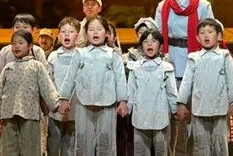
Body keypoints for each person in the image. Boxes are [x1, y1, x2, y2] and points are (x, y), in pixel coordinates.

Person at [58, 16, 128, 155]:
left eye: (99, 29)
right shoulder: (80, 53)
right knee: (83, 142)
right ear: (86, 33)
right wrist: (64, 99)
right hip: (84, 104)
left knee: (106, 142)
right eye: (91, 29)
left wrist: (123, 101)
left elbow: (120, 79)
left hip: (107, 104)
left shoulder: (113, 54)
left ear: (106, 33)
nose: (95, 32)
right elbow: (70, 77)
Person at [0, 30, 62, 156]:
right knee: (8, 148)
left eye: (21, 43)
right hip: (8, 113)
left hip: (29, 113)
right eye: (13, 43)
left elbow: (47, 86)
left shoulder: (36, 66)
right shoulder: (8, 67)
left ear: (29, 46)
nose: (16, 46)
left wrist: (56, 104)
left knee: (30, 148)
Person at [177, 18, 233, 156]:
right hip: (199, 109)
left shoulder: (225, 56)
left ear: (219, 36)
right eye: (202, 32)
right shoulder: (193, 57)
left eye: (210, 32)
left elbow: (232, 81)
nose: (206, 35)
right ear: (197, 38)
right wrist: (181, 103)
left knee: (220, 145)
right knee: (200, 146)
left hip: (220, 108)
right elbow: (186, 82)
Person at [155, 0, 214, 80]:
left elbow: (210, 35)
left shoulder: (203, 5)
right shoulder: (162, 6)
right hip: (169, 58)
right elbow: (157, 35)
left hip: (196, 58)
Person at [127, 28, 178, 156]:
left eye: (153, 41)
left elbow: (171, 92)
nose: (149, 44)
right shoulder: (135, 67)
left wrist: (175, 110)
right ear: (141, 47)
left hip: (160, 116)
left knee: (161, 150)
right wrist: (127, 109)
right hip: (140, 116)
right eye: (145, 41)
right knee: (140, 151)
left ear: (160, 46)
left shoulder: (166, 68)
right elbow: (130, 91)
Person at [0, 13, 50, 96]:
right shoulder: (5, 51)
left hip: (32, 96)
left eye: (25, 27)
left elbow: (45, 77)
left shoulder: (38, 51)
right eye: (17, 27)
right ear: (12, 30)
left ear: (34, 30)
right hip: (9, 95)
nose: (21, 30)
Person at [47, 16, 80, 156]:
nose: (67, 34)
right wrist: (56, 102)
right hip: (55, 110)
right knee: (53, 146)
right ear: (59, 35)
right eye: (63, 32)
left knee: (71, 147)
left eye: (71, 31)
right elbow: (48, 81)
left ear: (77, 35)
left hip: (75, 109)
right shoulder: (53, 56)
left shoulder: (81, 56)